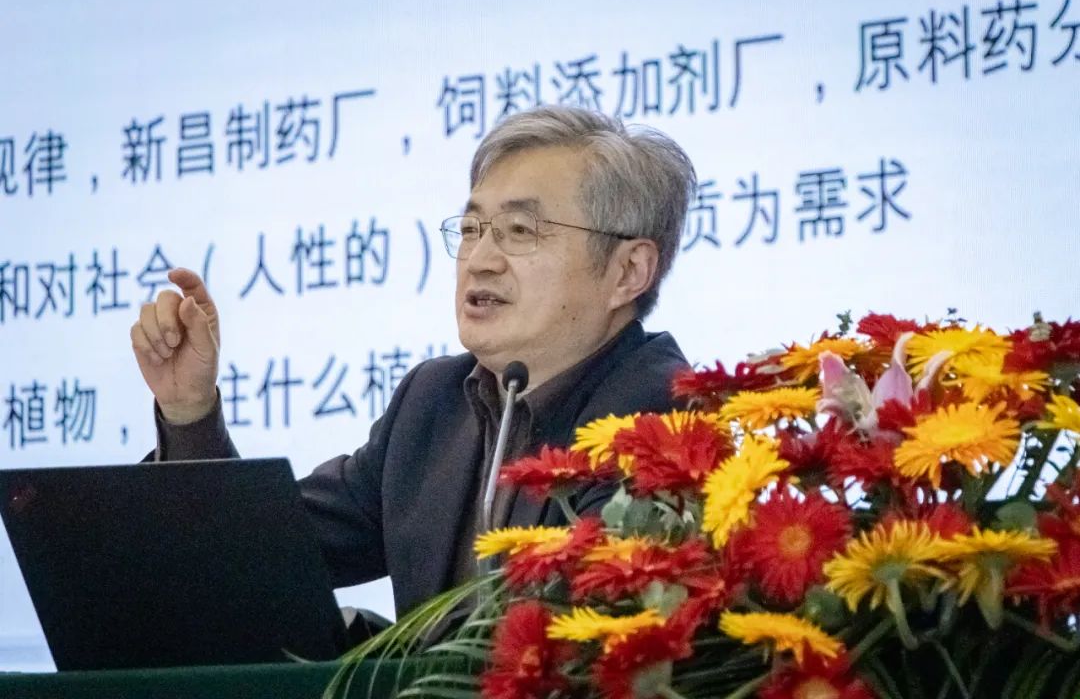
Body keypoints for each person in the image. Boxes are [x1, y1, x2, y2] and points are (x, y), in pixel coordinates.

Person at [129, 105, 696, 619]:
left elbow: (573, 644)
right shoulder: (434, 402)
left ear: (628, 272)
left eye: (520, 231)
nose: (480, 260)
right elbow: (263, 556)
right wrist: (189, 411)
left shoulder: (668, 426)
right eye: (471, 230)